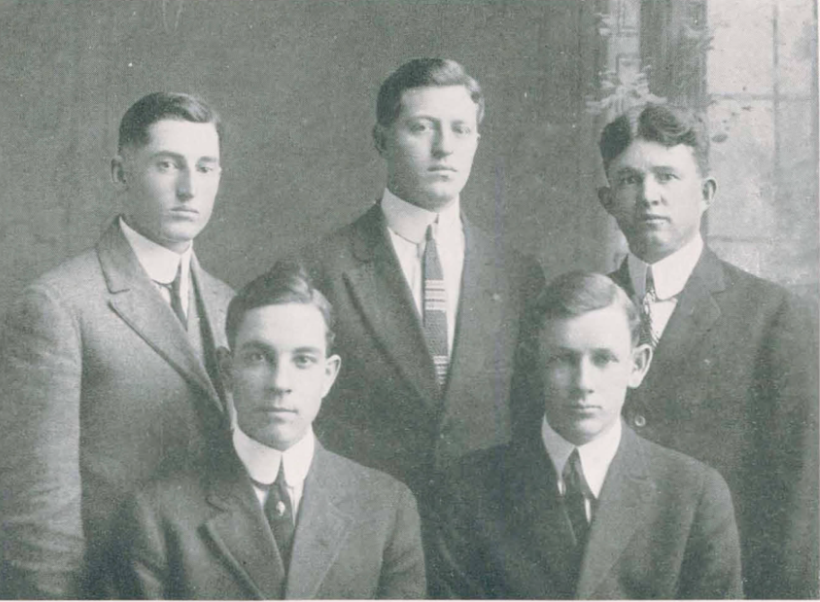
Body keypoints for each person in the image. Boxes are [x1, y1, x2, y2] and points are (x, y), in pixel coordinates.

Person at [0, 92, 235, 598]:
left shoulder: (232, 304)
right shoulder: (59, 306)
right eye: (167, 165)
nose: (189, 188)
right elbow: (39, 517)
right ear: (121, 173)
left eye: (205, 167)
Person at [295, 57, 544, 516]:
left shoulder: (518, 277)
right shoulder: (318, 270)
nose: (444, 147)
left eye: (460, 130)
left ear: (476, 142)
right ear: (381, 140)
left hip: (485, 537)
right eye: (422, 128)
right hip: (363, 528)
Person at [597, 103, 818, 598]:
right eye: (630, 180)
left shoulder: (774, 316)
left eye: (668, 177)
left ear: (707, 194)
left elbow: (799, 497)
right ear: (608, 199)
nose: (649, 196)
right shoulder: (581, 309)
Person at [113, 262, 426, 599]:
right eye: (259, 357)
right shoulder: (158, 515)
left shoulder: (386, 507)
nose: (280, 384)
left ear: (329, 375)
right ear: (227, 370)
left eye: (303, 360)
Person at [434, 271, 743, 599]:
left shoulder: (693, 494)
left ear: (637, 366)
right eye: (563, 360)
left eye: (603, 359)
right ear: (535, 364)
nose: (583, 383)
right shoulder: (470, 490)